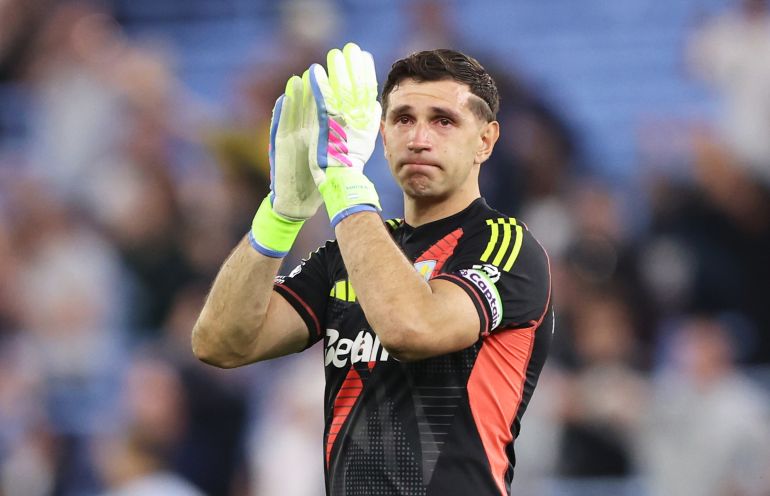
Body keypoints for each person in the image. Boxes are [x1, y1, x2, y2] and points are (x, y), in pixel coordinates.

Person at [192, 43, 554, 496]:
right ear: (382, 135)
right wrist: (280, 214)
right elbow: (219, 343)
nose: (419, 138)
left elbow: (411, 327)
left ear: (485, 140)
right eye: (403, 119)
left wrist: (345, 182)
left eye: (443, 120)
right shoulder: (345, 253)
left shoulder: (506, 244)